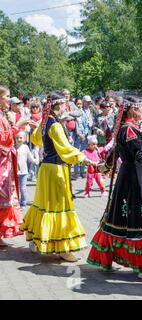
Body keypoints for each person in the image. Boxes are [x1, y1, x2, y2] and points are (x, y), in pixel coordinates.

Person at [87, 96, 142, 282]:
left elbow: (117, 151)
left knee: (120, 217)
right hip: (136, 179)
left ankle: (110, 259)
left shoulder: (128, 129)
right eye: (140, 108)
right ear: (132, 110)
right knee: (139, 220)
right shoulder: (129, 131)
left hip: (131, 177)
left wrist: (107, 165)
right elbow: (140, 156)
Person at [20, 93, 96, 262]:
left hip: (46, 169)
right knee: (60, 206)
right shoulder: (54, 125)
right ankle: (62, 247)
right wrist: (83, 158)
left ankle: (35, 238)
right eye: (64, 105)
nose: (66, 107)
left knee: (43, 204)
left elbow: (35, 139)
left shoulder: (45, 122)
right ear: (58, 106)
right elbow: (66, 149)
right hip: (56, 170)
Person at [0, 85, 28, 245]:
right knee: (3, 197)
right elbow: (2, 138)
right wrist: (18, 126)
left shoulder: (3, 115)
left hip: (6, 162)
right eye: (6, 96)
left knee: (6, 198)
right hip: (1, 162)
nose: (9, 100)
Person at [15, 131, 38, 208]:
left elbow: (30, 158)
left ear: (24, 139)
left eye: (20, 138)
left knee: (23, 188)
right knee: (14, 189)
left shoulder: (25, 147)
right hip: (14, 172)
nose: (19, 139)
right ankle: (16, 202)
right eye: (17, 138)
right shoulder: (12, 147)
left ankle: (23, 203)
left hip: (23, 172)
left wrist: (35, 159)